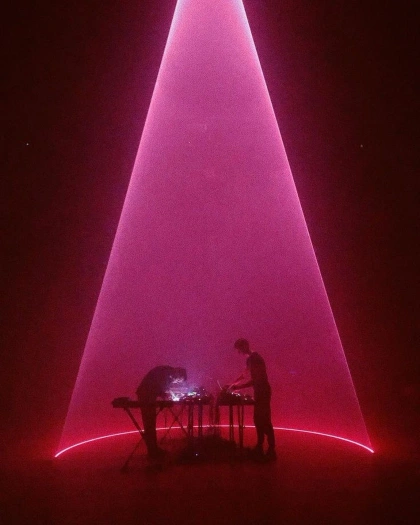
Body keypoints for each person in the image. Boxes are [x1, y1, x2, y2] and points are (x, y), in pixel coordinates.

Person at [230, 338, 276, 460]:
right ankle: (260, 446)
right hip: (260, 392)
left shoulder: (255, 358)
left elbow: (256, 380)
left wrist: (237, 387)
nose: (239, 352)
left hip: (263, 392)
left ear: (245, 346)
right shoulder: (251, 359)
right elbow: (245, 374)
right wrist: (233, 384)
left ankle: (271, 450)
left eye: (239, 349)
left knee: (264, 419)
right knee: (258, 419)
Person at [136, 366, 187, 458]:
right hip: (146, 397)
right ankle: (153, 451)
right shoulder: (168, 373)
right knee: (149, 423)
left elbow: (159, 387)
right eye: (179, 380)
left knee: (150, 424)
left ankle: (153, 449)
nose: (176, 382)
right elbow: (159, 387)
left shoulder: (167, 372)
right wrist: (167, 395)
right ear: (178, 374)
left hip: (147, 395)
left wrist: (165, 393)